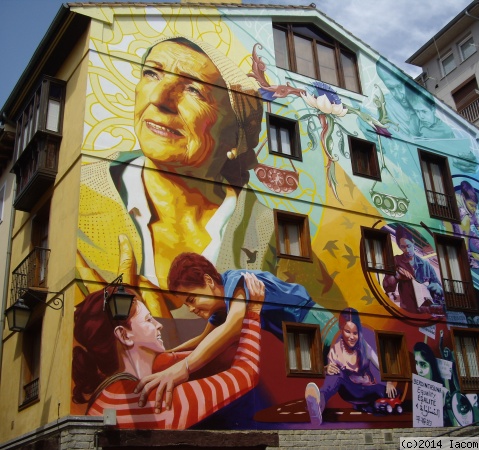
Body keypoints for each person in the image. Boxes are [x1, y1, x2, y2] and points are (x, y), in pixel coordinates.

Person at [77, 36, 267, 317]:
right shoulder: (82, 193)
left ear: (235, 138)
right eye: (151, 73)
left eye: (194, 90)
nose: (158, 98)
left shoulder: (264, 230)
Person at [135, 251, 338, 408]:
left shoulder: (238, 282)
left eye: (192, 299)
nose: (192, 309)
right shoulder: (222, 306)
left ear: (208, 281)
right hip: (302, 342)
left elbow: (234, 326)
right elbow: (204, 338)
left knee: (360, 368)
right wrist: (167, 355)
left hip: (319, 324)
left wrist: (185, 367)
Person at [72, 280, 264, 429]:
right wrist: (254, 312)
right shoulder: (154, 402)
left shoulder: (112, 388)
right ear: (124, 335)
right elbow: (246, 374)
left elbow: (196, 356)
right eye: (148, 320)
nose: (159, 325)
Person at [305, 308, 397, 426]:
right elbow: (331, 379)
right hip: (350, 391)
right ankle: (319, 402)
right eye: (347, 331)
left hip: (368, 391)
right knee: (336, 373)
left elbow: (381, 365)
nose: (352, 337)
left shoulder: (364, 347)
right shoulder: (336, 351)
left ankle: (369, 406)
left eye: (355, 333)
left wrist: (389, 381)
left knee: (385, 391)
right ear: (341, 329)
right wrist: (325, 368)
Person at [383, 228, 443, 313]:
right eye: (403, 247)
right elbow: (388, 288)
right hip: (408, 311)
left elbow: (439, 289)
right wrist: (396, 276)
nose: (406, 250)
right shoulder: (396, 260)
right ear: (399, 246)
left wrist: (437, 287)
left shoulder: (426, 265)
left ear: (413, 243)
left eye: (409, 246)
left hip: (426, 311)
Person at [452, 180, 479, 269]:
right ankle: (466, 253)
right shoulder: (459, 204)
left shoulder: (473, 215)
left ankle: (469, 256)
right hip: (458, 232)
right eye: (471, 205)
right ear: (463, 197)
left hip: (470, 235)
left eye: (475, 206)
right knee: (466, 218)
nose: (474, 209)